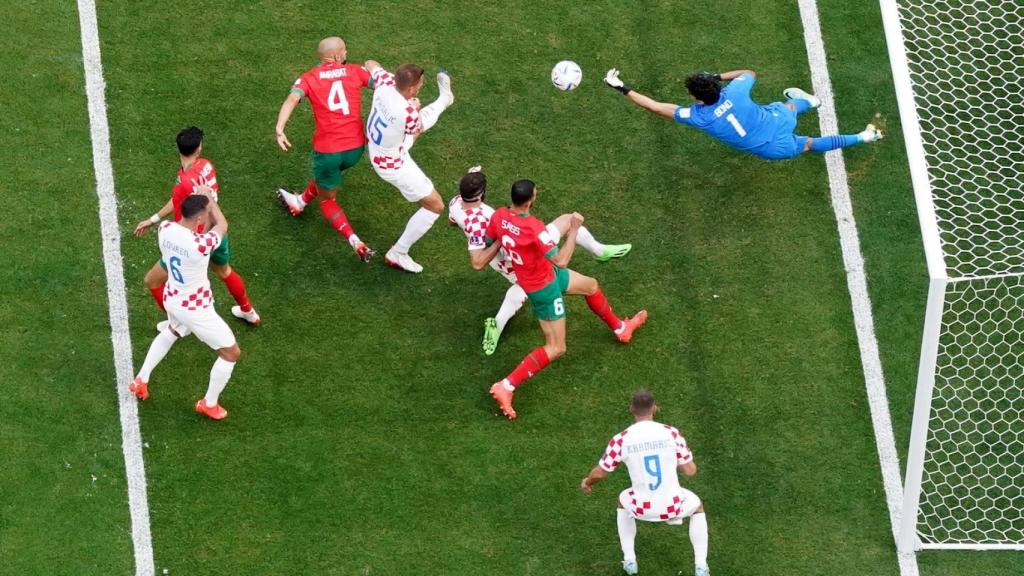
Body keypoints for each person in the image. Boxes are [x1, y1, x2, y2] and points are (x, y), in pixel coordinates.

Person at [472, 179, 647, 419]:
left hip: (544, 274)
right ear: (532, 199)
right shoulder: (534, 228)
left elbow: (491, 242)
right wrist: (574, 229)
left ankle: (620, 329)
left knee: (591, 286)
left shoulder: (499, 216)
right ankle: (506, 386)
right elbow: (562, 260)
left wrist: (506, 236)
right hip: (544, 289)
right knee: (556, 347)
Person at [450, 167, 632, 355]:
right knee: (567, 226)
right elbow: (477, 262)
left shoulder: (455, 203)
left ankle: (496, 325)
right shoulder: (480, 222)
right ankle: (599, 251)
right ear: (480, 195)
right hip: (515, 255)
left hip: (507, 253)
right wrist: (500, 237)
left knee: (522, 286)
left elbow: (452, 220)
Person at [603, 67, 882, 160]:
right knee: (790, 107)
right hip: (776, 119)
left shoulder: (697, 116)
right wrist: (717, 75)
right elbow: (749, 72)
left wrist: (622, 88)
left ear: (696, 97)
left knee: (808, 144)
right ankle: (812, 101)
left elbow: (655, 107)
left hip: (772, 148)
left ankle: (863, 136)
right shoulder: (734, 92)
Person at [133, 126, 260, 327]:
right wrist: (154, 218)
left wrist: (154, 220)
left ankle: (178, 324)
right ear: (199, 148)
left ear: (178, 149)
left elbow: (180, 202)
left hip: (191, 242)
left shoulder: (185, 181)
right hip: (215, 232)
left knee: (152, 281)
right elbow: (184, 200)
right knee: (225, 271)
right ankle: (248, 311)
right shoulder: (206, 165)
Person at [130, 192, 240, 421]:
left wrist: (204, 203)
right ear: (199, 220)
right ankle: (209, 404)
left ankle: (141, 379)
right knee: (231, 353)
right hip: (196, 309)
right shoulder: (201, 245)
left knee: (173, 330)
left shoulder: (165, 229)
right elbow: (222, 225)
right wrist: (212, 202)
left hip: (173, 297)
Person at [580, 389, 710, 576]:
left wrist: (587, 482)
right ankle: (701, 567)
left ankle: (630, 560)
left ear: (631, 408)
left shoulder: (621, 439)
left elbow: (600, 473)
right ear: (654, 408)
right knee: (697, 507)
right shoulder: (671, 433)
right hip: (673, 506)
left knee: (621, 501)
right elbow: (690, 470)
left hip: (641, 507)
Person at [274, 36, 375, 261]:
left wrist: (280, 128)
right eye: (345, 51)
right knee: (327, 178)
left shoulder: (309, 78)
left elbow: (292, 99)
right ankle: (299, 202)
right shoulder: (354, 72)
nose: (347, 54)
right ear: (338, 56)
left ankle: (355, 241)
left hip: (329, 151)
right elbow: (383, 85)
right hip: (356, 149)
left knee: (328, 198)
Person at [362, 60, 454, 273]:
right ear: (411, 88)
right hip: (393, 163)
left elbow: (370, 63)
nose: (421, 86)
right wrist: (415, 106)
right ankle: (398, 252)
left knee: (415, 126)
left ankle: (445, 99)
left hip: (380, 147)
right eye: (421, 84)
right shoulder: (407, 112)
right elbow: (416, 127)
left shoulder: (385, 82)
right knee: (436, 206)